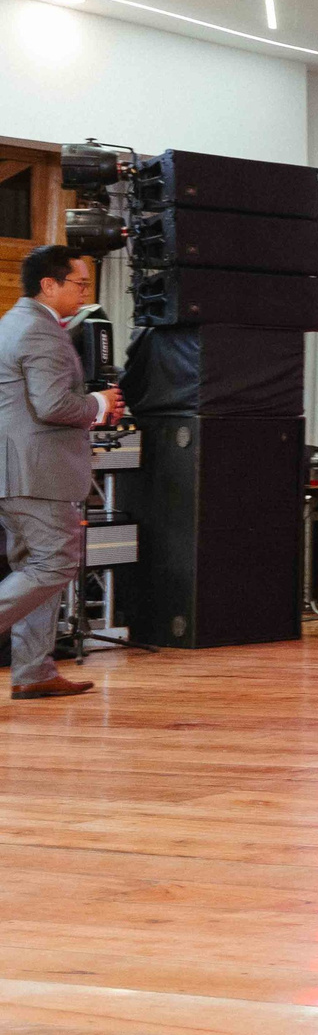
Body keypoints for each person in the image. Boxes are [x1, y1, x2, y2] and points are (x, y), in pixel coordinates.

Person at [0, 247, 124, 701]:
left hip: (16, 472)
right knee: (54, 564)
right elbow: (52, 405)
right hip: (36, 474)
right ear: (48, 285)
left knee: (34, 569)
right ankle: (34, 669)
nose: (86, 293)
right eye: (81, 284)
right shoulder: (39, 332)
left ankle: (33, 672)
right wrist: (99, 404)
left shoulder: (13, 323)